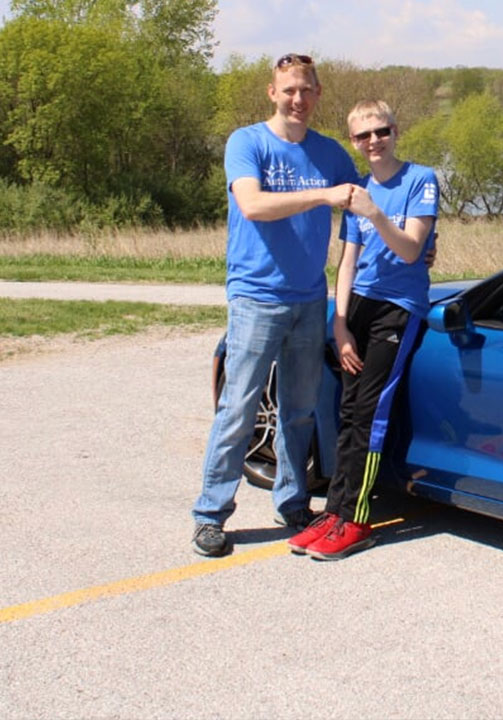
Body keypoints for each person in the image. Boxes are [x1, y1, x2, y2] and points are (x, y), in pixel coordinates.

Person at [191, 53, 359, 557]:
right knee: (238, 410)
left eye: (306, 90)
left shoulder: (330, 153)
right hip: (256, 298)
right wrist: (322, 195)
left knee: (300, 412)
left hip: (310, 300)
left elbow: (364, 204)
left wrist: (418, 237)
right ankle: (210, 515)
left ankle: (291, 502)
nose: (298, 99)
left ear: (318, 93)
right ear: (272, 92)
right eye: (289, 90)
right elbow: (253, 204)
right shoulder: (247, 142)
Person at [288, 100, 438, 560]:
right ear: (353, 141)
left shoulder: (420, 180)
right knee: (349, 410)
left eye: (381, 131)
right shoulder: (356, 190)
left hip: (399, 307)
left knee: (371, 414)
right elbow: (348, 261)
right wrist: (340, 323)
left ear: (396, 130)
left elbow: (412, 250)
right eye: (363, 136)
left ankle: (357, 518)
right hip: (360, 308)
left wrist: (375, 213)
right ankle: (334, 512)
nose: (374, 142)